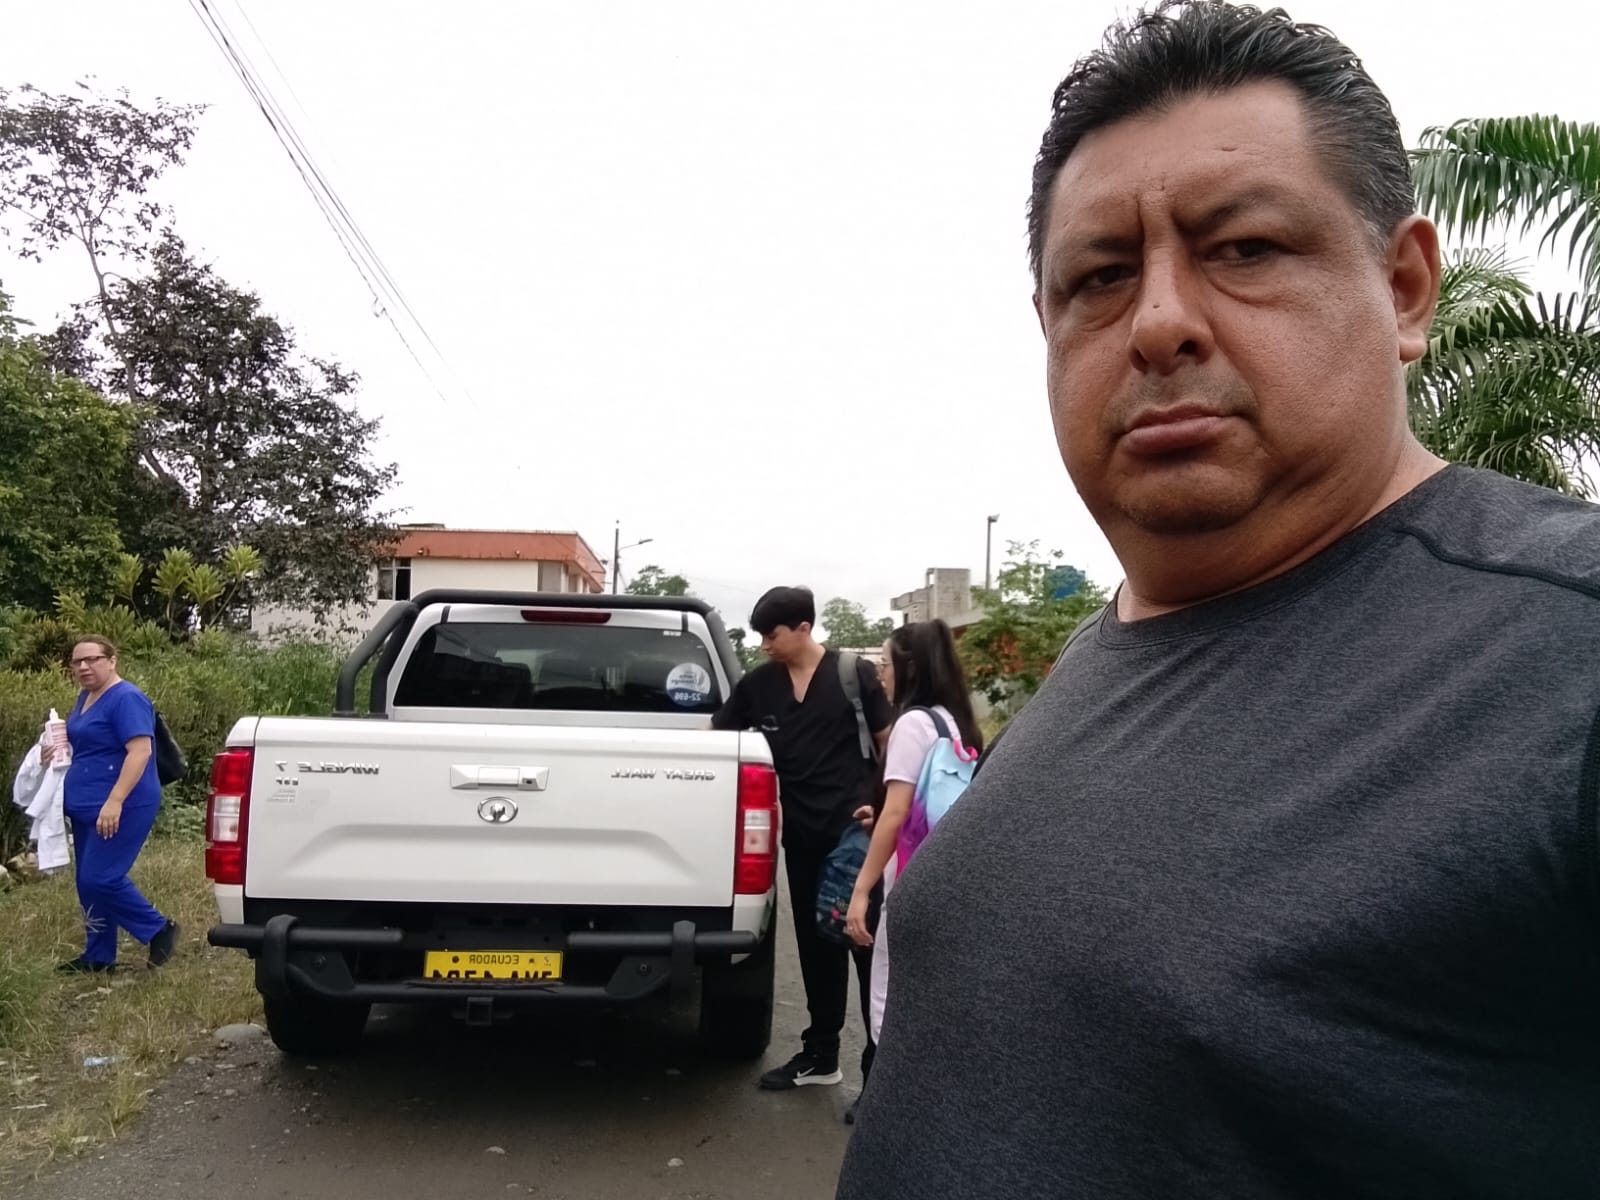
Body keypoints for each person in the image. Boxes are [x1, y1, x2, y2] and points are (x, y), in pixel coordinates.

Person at [837, 4, 1600, 1198]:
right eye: (1098, 277)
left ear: (1403, 288)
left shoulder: (1565, 655)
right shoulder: (1108, 646)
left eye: (1242, 249)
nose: (1157, 322)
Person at [712, 586, 892, 1092]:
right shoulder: (758, 685)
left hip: (856, 839)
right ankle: (821, 1055)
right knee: (816, 950)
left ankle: (879, 1074)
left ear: (804, 628)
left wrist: (883, 810)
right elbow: (718, 738)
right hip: (801, 837)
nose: (764, 645)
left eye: (772, 635)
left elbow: (889, 747)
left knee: (863, 948)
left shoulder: (854, 674)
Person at [843, 621, 982, 1049]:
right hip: (944, 878)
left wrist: (861, 892)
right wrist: (885, 815)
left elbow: (897, 811)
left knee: (886, 1008)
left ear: (909, 669)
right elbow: (928, 802)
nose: (881, 676)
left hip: (906, 882)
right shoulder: (952, 722)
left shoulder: (911, 723)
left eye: (885, 665)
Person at [43, 637, 179, 973]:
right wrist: (51, 752)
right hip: (86, 805)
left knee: (100, 878)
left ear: (112, 660)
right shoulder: (86, 697)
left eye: (92, 659)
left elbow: (140, 752)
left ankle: (159, 929)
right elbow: (89, 745)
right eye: (77, 661)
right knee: (86, 881)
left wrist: (115, 800)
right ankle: (99, 956)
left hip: (122, 803)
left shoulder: (126, 698)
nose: (83, 667)